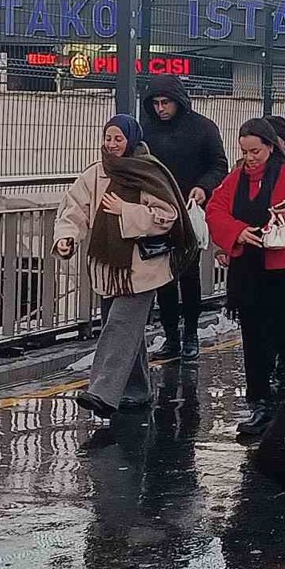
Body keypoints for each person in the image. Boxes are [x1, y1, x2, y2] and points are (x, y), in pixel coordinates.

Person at [55, 115, 196, 426]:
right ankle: (138, 390)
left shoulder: (148, 171)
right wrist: (67, 237)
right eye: (108, 137)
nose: (112, 144)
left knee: (119, 326)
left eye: (118, 138)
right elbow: (74, 209)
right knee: (124, 328)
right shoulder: (96, 173)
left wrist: (126, 211)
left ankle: (102, 393)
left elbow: (167, 216)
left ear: (131, 139)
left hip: (143, 267)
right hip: (108, 266)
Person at [206, 119, 285, 436]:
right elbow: (215, 210)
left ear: (270, 147)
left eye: (255, 151)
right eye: (244, 152)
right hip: (249, 270)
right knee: (254, 338)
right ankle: (260, 403)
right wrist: (237, 232)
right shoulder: (235, 179)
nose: (250, 158)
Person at [141, 75, 229, 361]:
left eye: (166, 103)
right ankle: (171, 337)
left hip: (190, 210)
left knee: (189, 276)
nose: (161, 109)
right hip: (158, 213)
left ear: (178, 102)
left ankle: (190, 334)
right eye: (156, 103)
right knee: (163, 278)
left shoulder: (203, 128)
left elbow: (219, 165)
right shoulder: (147, 130)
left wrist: (203, 187)